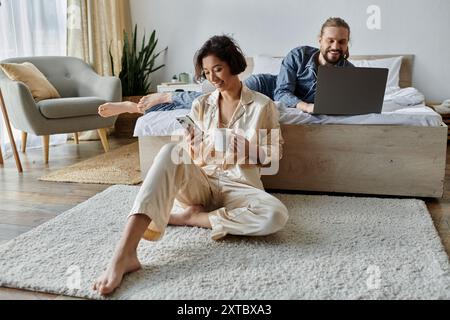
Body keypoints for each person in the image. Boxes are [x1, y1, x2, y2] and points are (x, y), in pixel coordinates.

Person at [93, 35, 288, 296]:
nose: (213, 78)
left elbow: (274, 156)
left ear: (233, 64)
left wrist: (253, 151)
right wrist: (192, 146)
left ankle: (194, 217)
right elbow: (192, 157)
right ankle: (124, 254)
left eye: (217, 69)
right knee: (170, 150)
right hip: (202, 181)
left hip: (240, 186)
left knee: (276, 215)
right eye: (207, 72)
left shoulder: (263, 105)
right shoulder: (201, 104)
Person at [98, 17, 353, 118]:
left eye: (341, 41)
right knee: (210, 101)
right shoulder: (298, 55)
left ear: (346, 44)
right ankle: (166, 96)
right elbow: (284, 94)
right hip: (265, 87)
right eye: (330, 40)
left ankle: (138, 108)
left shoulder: (348, 71)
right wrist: (308, 106)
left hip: (274, 98)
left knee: (210, 103)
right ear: (320, 40)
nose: (335, 46)